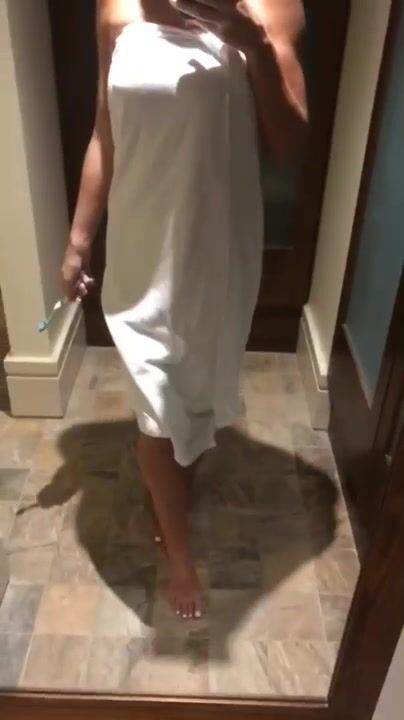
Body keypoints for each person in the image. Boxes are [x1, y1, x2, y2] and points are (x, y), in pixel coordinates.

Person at [61, 0, 307, 620]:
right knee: (156, 405)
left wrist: (252, 45)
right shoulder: (115, 7)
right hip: (142, 249)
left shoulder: (270, 7)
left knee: (193, 394)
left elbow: (291, 145)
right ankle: (178, 553)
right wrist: (79, 239)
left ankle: (177, 466)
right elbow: (105, 131)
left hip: (215, 253)